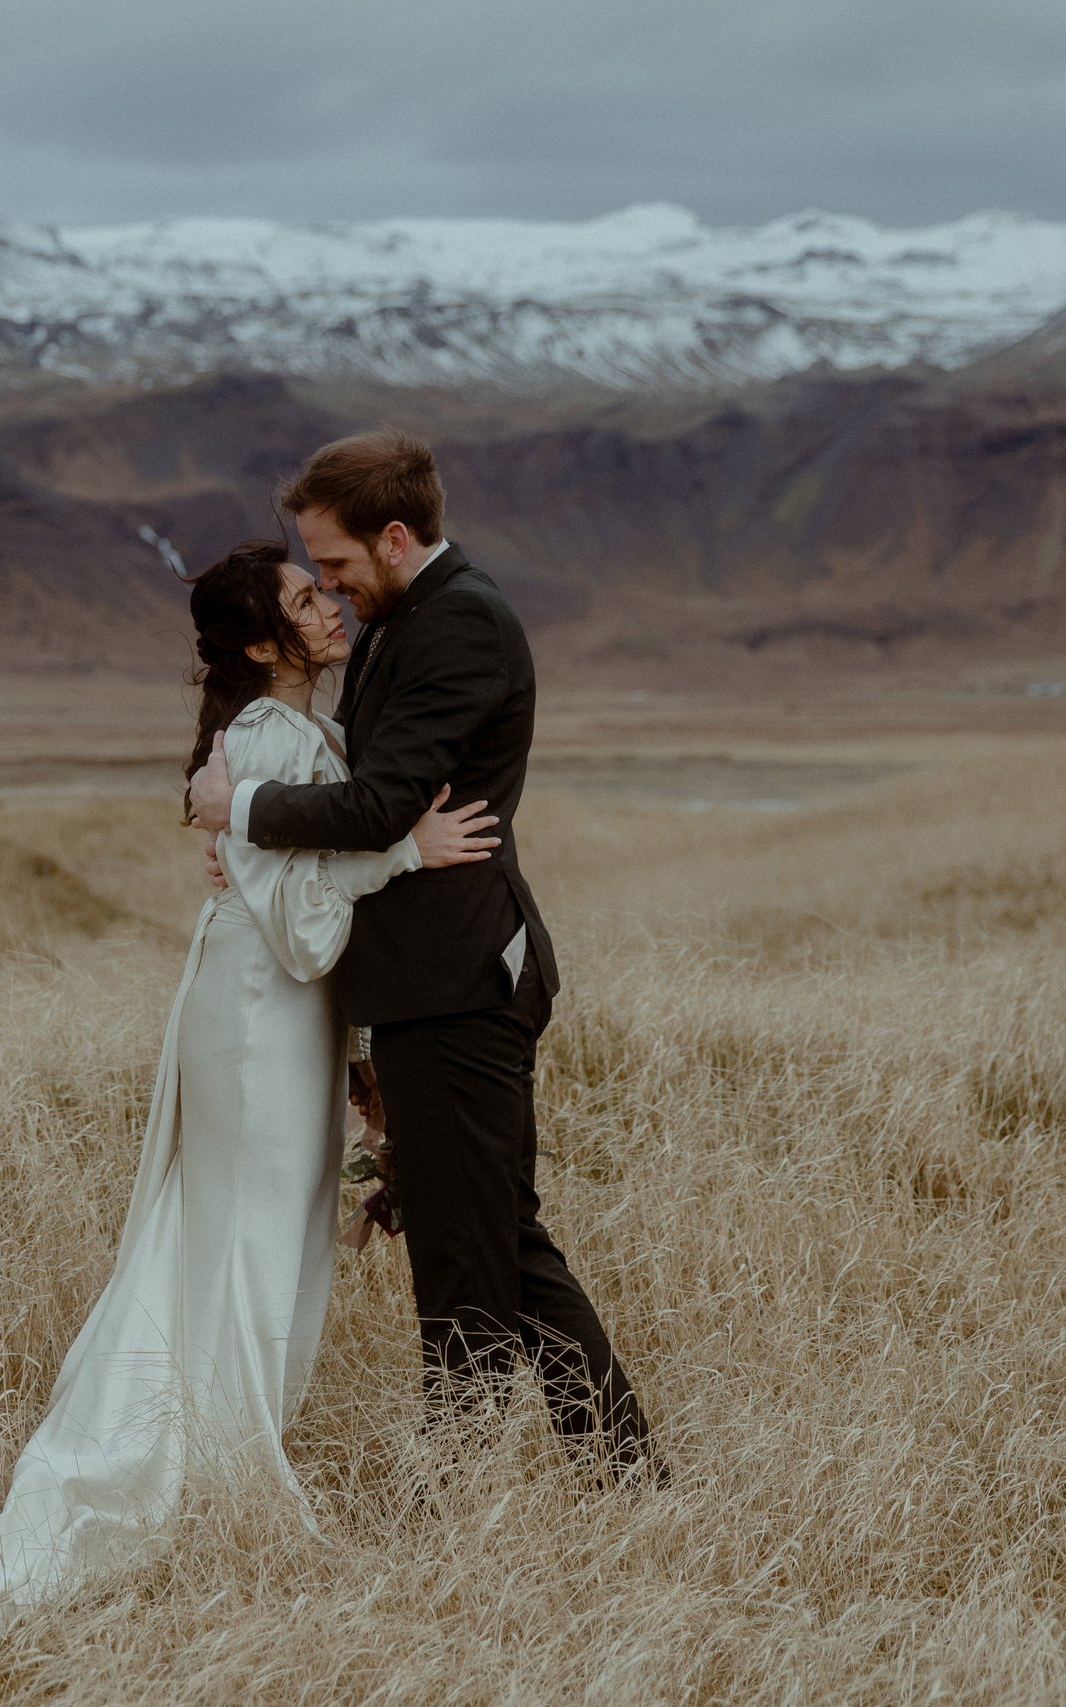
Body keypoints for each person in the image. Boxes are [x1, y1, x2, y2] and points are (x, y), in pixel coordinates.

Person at [0, 539, 500, 1633]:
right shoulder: (266, 738)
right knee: (247, 1247)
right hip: (260, 1023)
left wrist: (360, 1057)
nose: (329, 610)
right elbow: (306, 929)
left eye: (326, 591)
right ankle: (207, 1476)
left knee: (240, 1244)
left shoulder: (301, 734)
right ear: (263, 642)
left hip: (278, 1018)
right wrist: (408, 850)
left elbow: (294, 884)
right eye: (305, 600)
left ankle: (216, 1458)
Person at [188, 430, 663, 1483]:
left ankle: (485, 1475)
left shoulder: (462, 627)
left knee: (473, 1250)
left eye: (338, 565)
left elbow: (381, 804)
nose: (330, 588)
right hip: (423, 987)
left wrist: (244, 810)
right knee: (487, 1237)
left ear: (394, 539)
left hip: (459, 984)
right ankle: (618, 1474)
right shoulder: (416, 620)